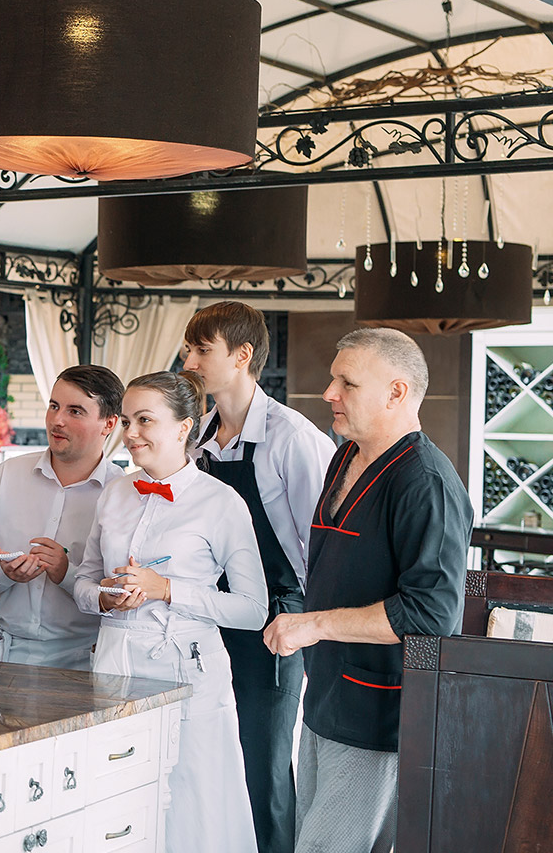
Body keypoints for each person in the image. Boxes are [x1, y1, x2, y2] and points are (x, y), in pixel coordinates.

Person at [264, 328, 470, 853]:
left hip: (379, 716)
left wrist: (314, 624)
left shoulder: (425, 483)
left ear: (396, 393)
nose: (328, 392)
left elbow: (431, 614)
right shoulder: (344, 456)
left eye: (347, 382)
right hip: (326, 700)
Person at [71, 371, 267, 853]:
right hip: (114, 667)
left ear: (183, 427)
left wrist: (167, 589)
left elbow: (253, 609)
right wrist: (102, 597)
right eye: (128, 421)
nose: (131, 433)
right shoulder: (114, 492)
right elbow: (82, 579)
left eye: (145, 420)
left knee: (193, 806)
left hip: (189, 676)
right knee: (117, 799)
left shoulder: (222, 503)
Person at [181, 301, 336, 853]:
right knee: (208, 755)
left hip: (274, 618)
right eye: (190, 347)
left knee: (263, 765)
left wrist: (306, 623)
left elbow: (323, 547)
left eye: (202, 349)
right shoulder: (197, 436)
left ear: (243, 355)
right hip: (204, 613)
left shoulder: (292, 437)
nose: (189, 359)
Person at [0, 365, 124, 670]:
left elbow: (121, 592)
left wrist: (67, 574)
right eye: (54, 406)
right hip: (7, 656)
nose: (57, 420)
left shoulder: (123, 494)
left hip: (85, 662)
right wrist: (2, 572)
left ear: (109, 423)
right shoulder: (7, 475)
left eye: (75, 411)